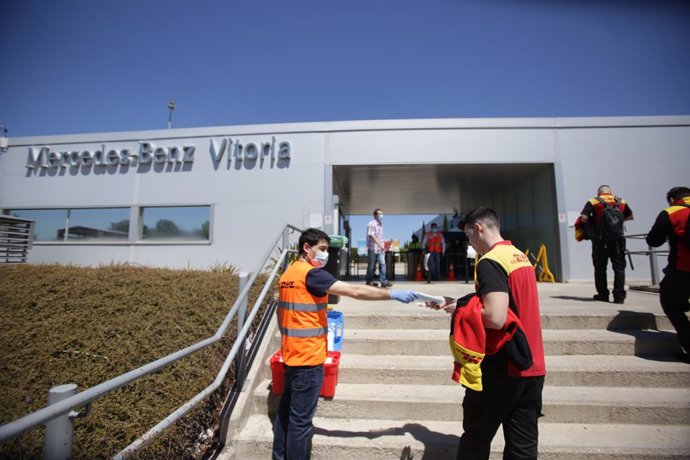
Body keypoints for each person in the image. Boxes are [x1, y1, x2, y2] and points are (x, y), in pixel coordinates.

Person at [272, 228, 418, 460]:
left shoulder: (288, 275)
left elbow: (282, 315)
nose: (325, 254)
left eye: (327, 250)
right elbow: (355, 291)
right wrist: (391, 294)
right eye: (321, 249)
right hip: (309, 360)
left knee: (285, 413)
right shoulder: (312, 274)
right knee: (300, 423)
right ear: (306, 248)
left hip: (291, 355)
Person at [428, 207, 546, 459]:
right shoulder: (518, 256)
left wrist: (460, 311)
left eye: (469, 236)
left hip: (503, 368)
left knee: (476, 440)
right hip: (532, 366)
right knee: (522, 447)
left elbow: (495, 316)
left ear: (477, 228)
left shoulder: (490, 261)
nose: (470, 243)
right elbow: (508, 303)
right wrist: (458, 302)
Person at [645, 186, 690, 361]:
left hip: (683, 269)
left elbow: (653, 240)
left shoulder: (672, 212)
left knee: (671, 302)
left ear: (672, 199)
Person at [580, 185, 634, 304]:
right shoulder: (621, 201)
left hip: (600, 240)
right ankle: (619, 296)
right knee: (619, 268)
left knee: (600, 268)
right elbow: (631, 216)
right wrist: (616, 222)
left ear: (599, 193)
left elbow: (584, 218)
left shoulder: (594, 201)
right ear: (610, 192)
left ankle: (603, 294)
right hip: (618, 239)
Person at [365, 208, 392, 287]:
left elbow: (380, 238)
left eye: (382, 214)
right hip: (372, 248)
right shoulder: (371, 223)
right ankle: (369, 281)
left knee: (383, 264)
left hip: (380, 249)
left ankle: (384, 282)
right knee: (371, 266)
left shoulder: (380, 224)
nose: (381, 215)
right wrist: (380, 245)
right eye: (379, 214)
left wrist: (384, 245)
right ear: (375, 215)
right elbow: (371, 236)